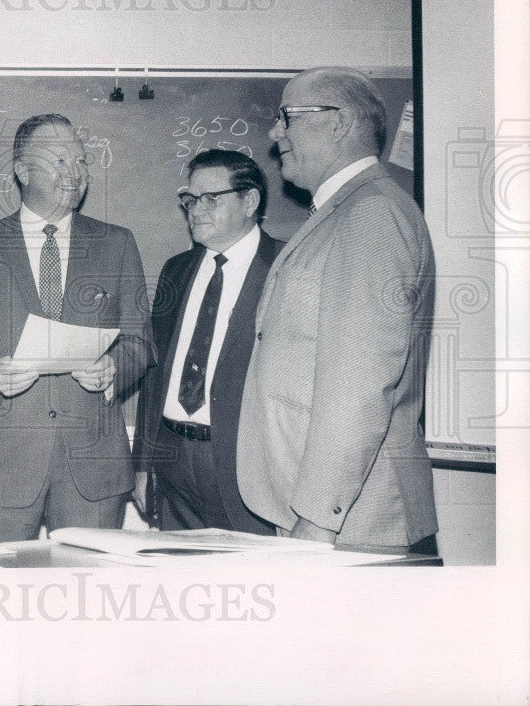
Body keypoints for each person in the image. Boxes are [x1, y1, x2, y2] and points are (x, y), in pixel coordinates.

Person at [237, 66, 437, 550]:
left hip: (351, 522)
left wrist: (319, 518)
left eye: (287, 117)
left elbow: (359, 383)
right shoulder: (344, 210)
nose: (274, 132)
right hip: (329, 511)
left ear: (339, 122)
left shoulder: (371, 216)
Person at [0, 113, 155, 544]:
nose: (75, 173)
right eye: (60, 161)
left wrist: (115, 368)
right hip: (5, 462)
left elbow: (140, 340)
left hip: (94, 468)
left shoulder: (117, 243)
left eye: (80, 161)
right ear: (23, 171)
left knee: (88, 600)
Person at [133, 149, 281, 535]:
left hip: (247, 466)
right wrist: (144, 463)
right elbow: (154, 373)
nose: (195, 210)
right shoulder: (176, 269)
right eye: (190, 199)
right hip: (173, 462)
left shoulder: (286, 268)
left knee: (251, 586)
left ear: (249, 201)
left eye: (210, 198)